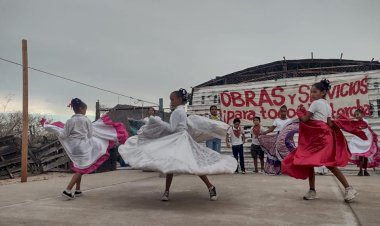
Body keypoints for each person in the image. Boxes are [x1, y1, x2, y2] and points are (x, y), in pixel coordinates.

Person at [118, 89, 236, 201]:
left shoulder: (177, 112)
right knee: (176, 164)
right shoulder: (181, 111)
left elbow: (172, 128)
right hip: (181, 138)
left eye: (172, 99)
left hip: (180, 139)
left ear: (179, 99)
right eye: (170, 99)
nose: (171, 102)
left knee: (183, 164)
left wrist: (158, 123)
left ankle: (173, 191)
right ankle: (206, 188)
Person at [282, 79, 358, 202]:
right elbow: (329, 123)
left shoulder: (315, 103)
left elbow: (305, 119)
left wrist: (299, 111)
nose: (311, 94)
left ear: (322, 92)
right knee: (322, 163)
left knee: (313, 162)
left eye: (314, 92)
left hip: (318, 137)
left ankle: (316, 190)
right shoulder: (328, 106)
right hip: (324, 136)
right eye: (310, 92)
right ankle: (345, 189)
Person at [41, 98, 127, 200]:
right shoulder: (86, 120)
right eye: (85, 109)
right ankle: (67, 191)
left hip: (73, 147)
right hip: (83, 146)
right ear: (81, 109)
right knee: (82, 169)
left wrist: (57, 131)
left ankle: (77, 190)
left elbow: (64, 134)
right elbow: (90, 134)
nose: (85, 111)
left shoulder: (69, 121)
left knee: (80, 166)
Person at [259, 105, 290, 175]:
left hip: (286, 140)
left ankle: (286, 170)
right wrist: (263, 133)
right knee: (277, 155)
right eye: (281, 111)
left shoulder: (289, 121)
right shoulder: (277, 120)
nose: (283, 113)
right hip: (278, 139)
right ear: (279, 112)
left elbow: (290, 131)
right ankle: (277, 170)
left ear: (286, 112)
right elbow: (271, 129)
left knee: (286, 155)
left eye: (284, 111)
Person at [349, 108, 380, 176]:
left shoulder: (365, 121)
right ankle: (360, 170)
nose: (356, 116)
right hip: (359, 141)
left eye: (358, 114)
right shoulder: (356, 122)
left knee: (365, 157)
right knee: (360, 156)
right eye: (355, 115)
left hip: (366, 141)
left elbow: (364, 127)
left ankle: (365, 170)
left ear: (362, 115)